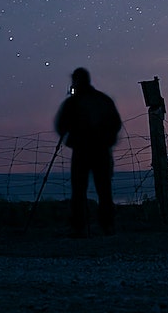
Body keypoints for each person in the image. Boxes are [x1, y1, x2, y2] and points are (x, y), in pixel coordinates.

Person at [54, 67, 122, 236]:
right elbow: (115, 123)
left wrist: (69, 139)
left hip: (82, 151)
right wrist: (107, 141)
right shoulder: (102, 100)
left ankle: (79, 227)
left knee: (79, 189)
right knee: (103, 189)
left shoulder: (72, 103)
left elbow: (61, 125)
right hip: (100, 151)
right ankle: (107, 226)